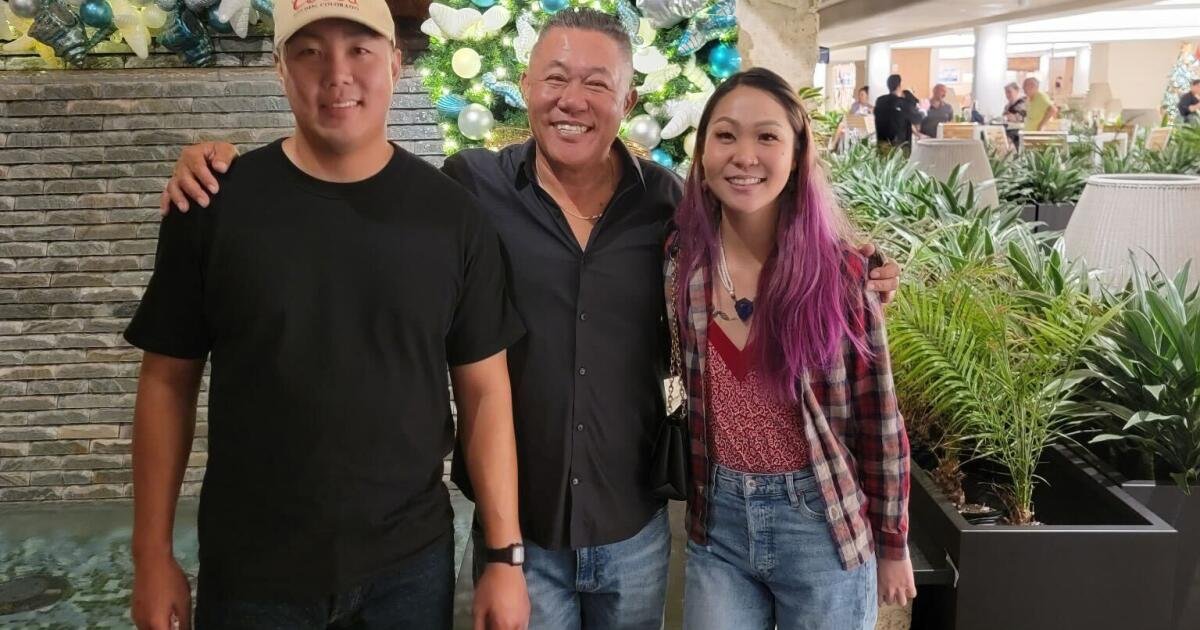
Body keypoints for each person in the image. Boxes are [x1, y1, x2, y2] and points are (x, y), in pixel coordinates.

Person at [156, 11, 905, 630]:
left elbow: (756, 228)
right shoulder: (469, 189)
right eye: (555, 78)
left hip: (634, 527)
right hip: (522, 534)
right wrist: (223, 165)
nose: (572, 100)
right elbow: (365, 181)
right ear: (524, 88)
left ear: (628, 99)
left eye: (596, 83)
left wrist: (855, 264)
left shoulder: (667, 207)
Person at [126, 1, 530, 628]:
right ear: (280, 68)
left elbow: (484, 391)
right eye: (310, 52)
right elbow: (165, 383)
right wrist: (151, 555)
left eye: (359, 50)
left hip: (409, 566)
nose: (337, 74)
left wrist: (504, 556)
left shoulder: (454, 218)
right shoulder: (214, 207)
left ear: (394, 64)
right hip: (253, 567)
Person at [667, 67, 915, 630]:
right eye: (725, 135)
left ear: (798, 154)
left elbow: (880, 419)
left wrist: (893, 543)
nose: (744, 156)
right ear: (702, 153)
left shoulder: (841, 275)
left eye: (767, 136)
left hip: (821, 519)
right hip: (718, 523)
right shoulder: (682, 262)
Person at [874, 74, 923, 146]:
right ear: (899, 86)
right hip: (899, 146)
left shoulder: (879, 101)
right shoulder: (902, 103)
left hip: (882, 142)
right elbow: (917, 119)